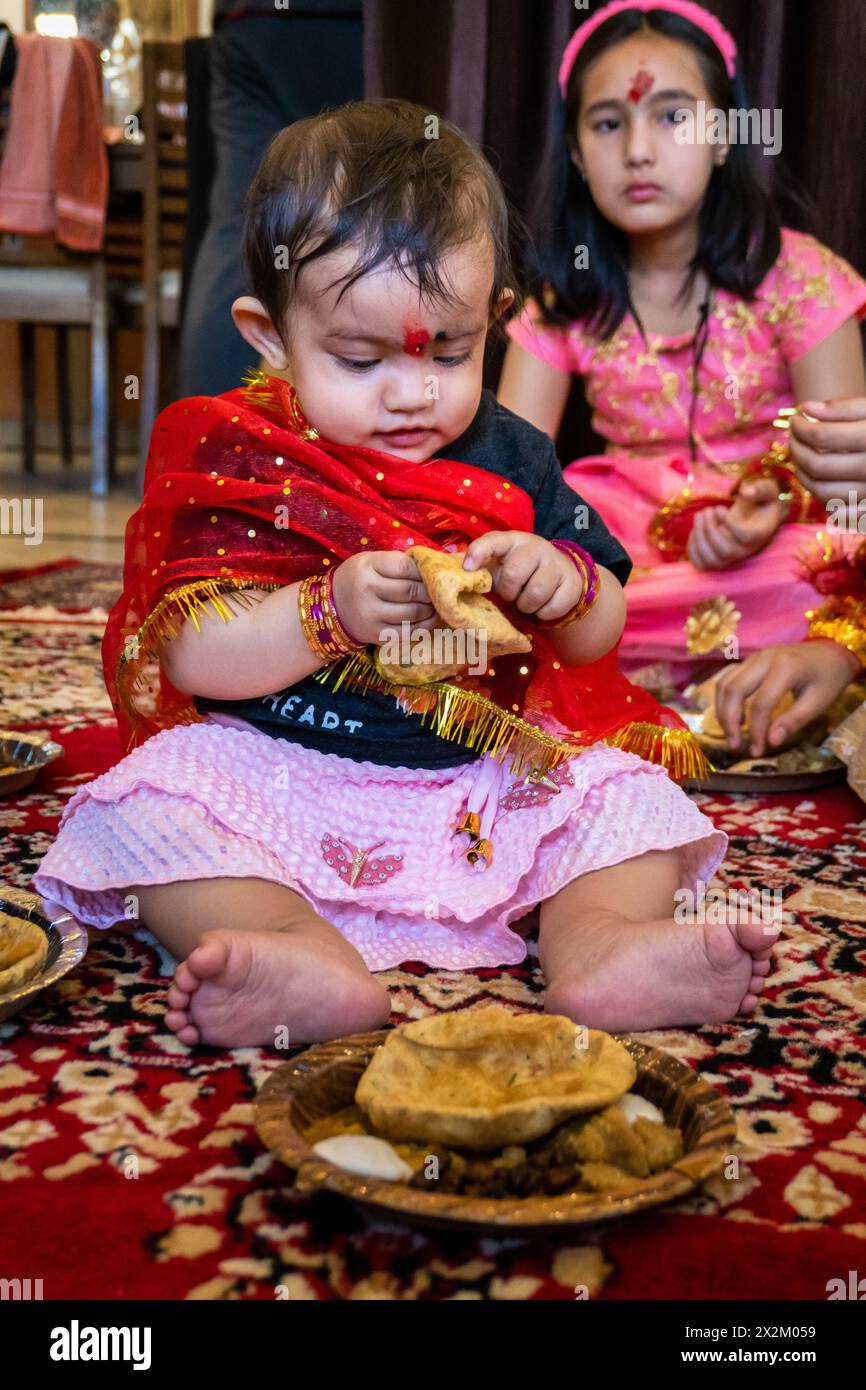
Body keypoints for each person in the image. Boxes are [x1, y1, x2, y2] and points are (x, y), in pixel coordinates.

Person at [32, 99, 778, 1049]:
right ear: (270, 336)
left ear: (494, 322)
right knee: (149, 799)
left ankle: (602, 946)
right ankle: (285, 950)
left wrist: (565, 584)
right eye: (357, 357)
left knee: (628, 798)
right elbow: (194, 659)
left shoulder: (513, 456)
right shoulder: (251, 457)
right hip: (279, 778)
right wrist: (324, 611)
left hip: (486, 777)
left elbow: (601, 631)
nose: (412, 393)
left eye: (452, 352)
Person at [497, 0, 866, 688]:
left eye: (672, 117)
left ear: (725, 136)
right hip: (629, 542)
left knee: (827, 558)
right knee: (558, 555)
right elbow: (506, 476)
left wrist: (773, 500)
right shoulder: (565, 301)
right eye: (608, 124)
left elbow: (847, 474)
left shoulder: (800, 277)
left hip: (774, 542)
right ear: (577, 154)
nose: (638, 150)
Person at [179, 0, 363, 396]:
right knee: (407, 223)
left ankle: (211, 444)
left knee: (244, 228)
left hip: (254, 20)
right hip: (385, 25)